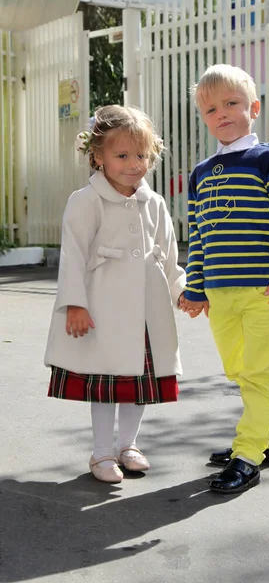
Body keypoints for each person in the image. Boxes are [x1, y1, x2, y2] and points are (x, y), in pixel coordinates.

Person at [45, 105, 186, 484]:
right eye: (122, 155)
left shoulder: (154, 203)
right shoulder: (85, 201)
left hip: (145, 308)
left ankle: (129, 445)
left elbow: (168, 254)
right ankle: (102, 452)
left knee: (138, 382)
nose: (133, 164)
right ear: (98, 157)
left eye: (141, 155)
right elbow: (73, 255)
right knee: (106, 381)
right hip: (102, 307)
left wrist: (181, 292)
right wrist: (75, 303)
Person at [180, 64, 269, 494]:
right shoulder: (200, 172)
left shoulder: (268, 158)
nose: (222, 114)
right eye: (211, 109)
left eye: (231, 104)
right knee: (237, 369)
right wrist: (195, 287)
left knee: (258, 373)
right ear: (204, 116)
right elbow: (198, 234)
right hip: (219, 293)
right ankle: (263, 440)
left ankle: (247, 455)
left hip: (263, 292)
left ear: (253, 108)